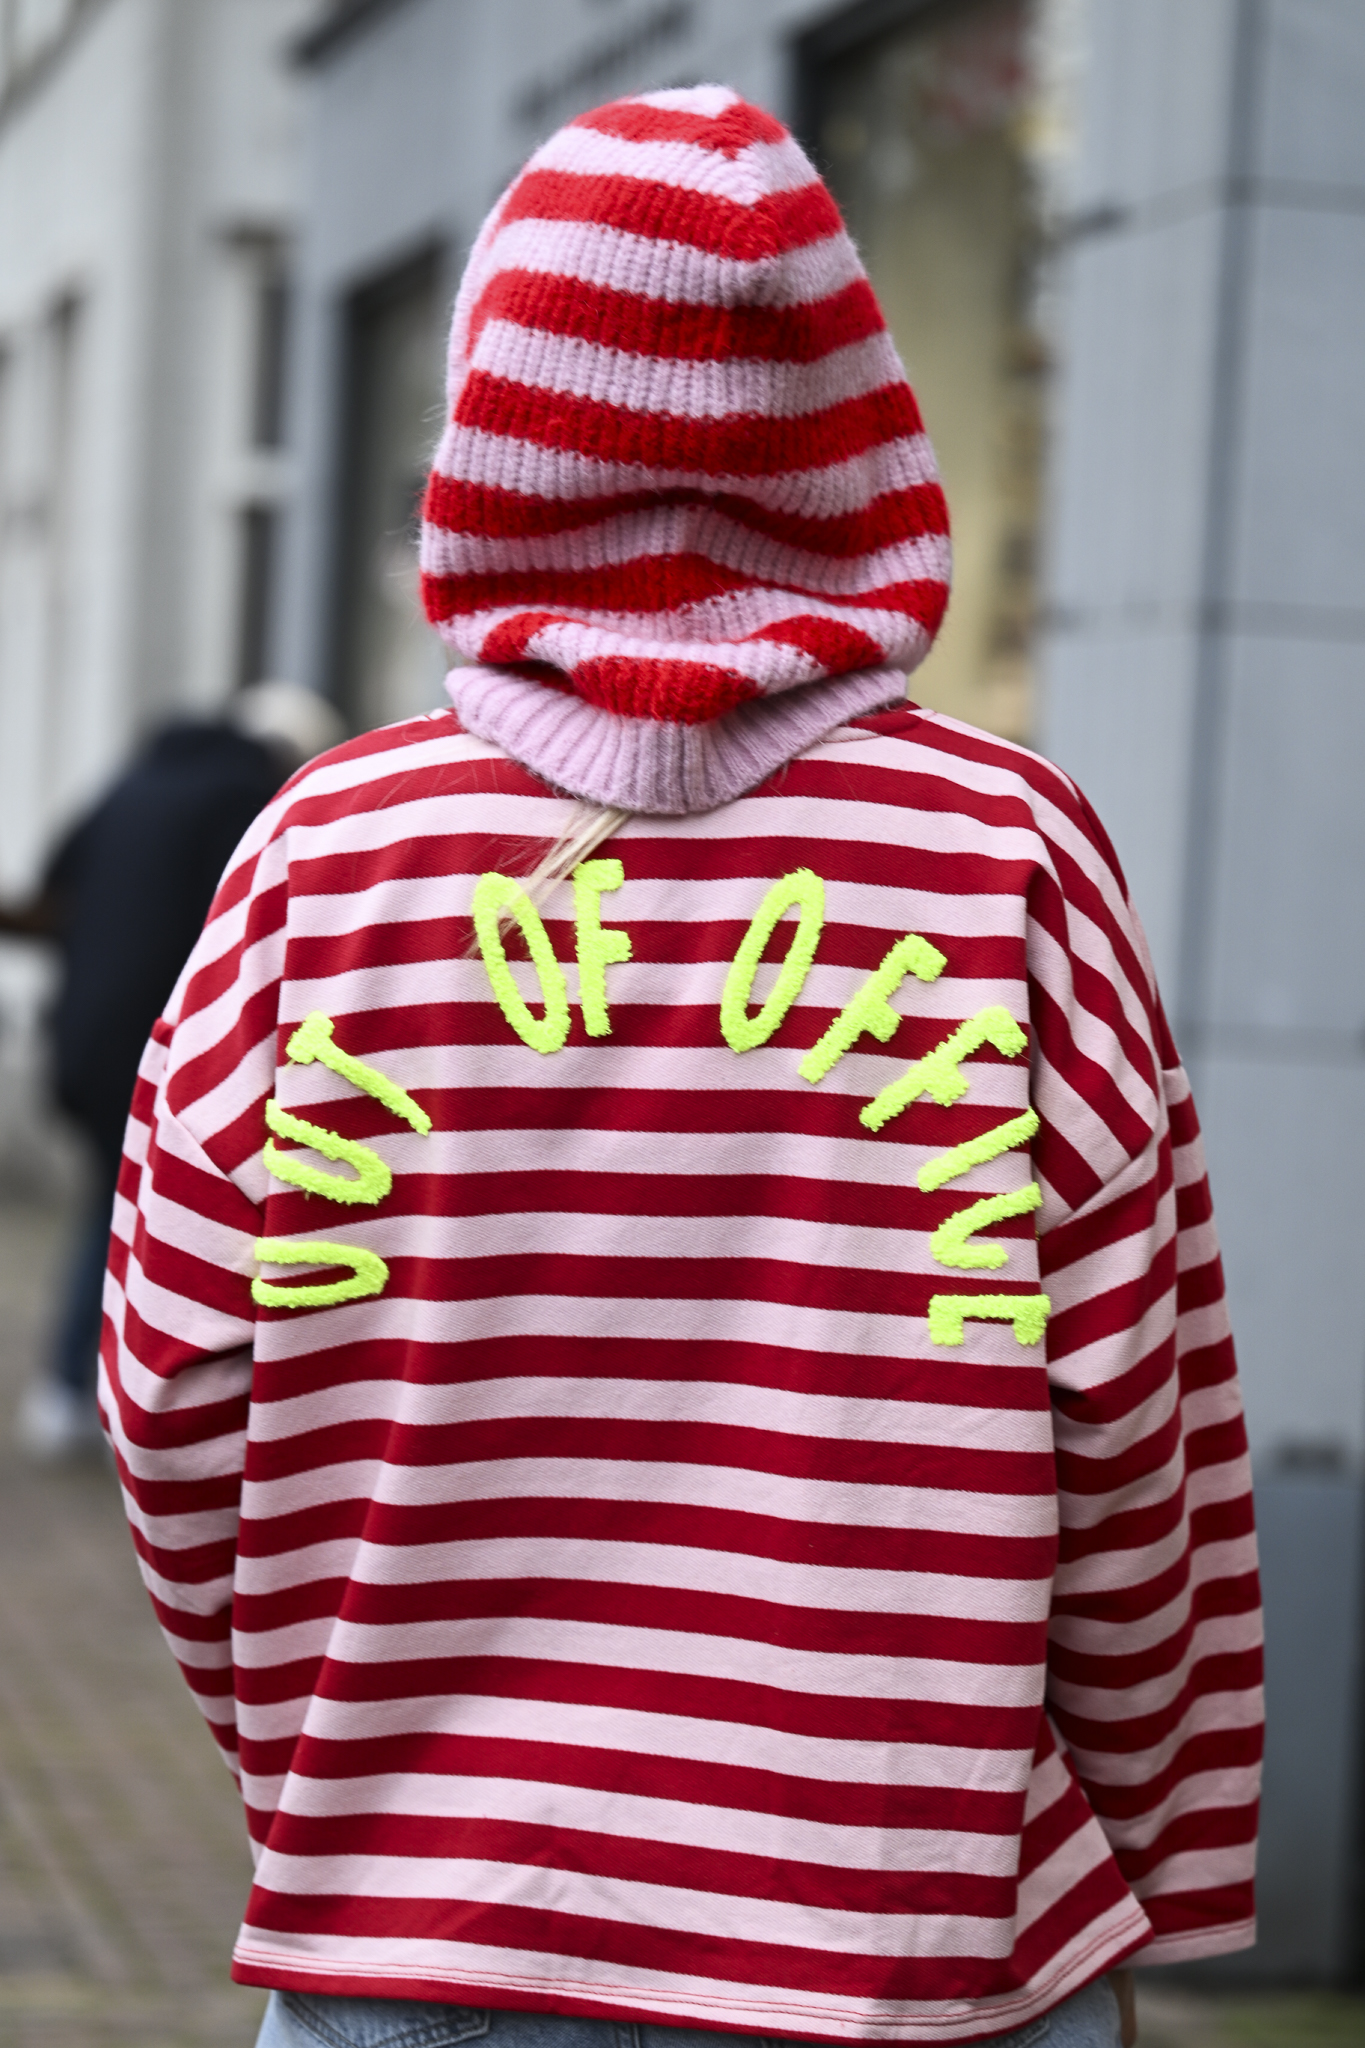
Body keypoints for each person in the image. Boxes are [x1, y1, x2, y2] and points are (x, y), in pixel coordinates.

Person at [100, 90, 1261, 2048]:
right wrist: (1133, 1843)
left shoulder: (327, 863)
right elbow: (1141, 1425)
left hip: (426, 1932)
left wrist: (340, 1764)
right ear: (852, 431)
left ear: (489, 428)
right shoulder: (1008, 862)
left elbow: (174, 1392)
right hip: (912, 1937)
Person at [4, 681, 342, 1458]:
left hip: (79, 1036)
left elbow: (54, 896)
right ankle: (93, 1394)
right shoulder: (251, 805)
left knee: (111, 1201)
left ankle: (70, 1390)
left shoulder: (129, 786)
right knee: (149, 1218)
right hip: (163, 1048)